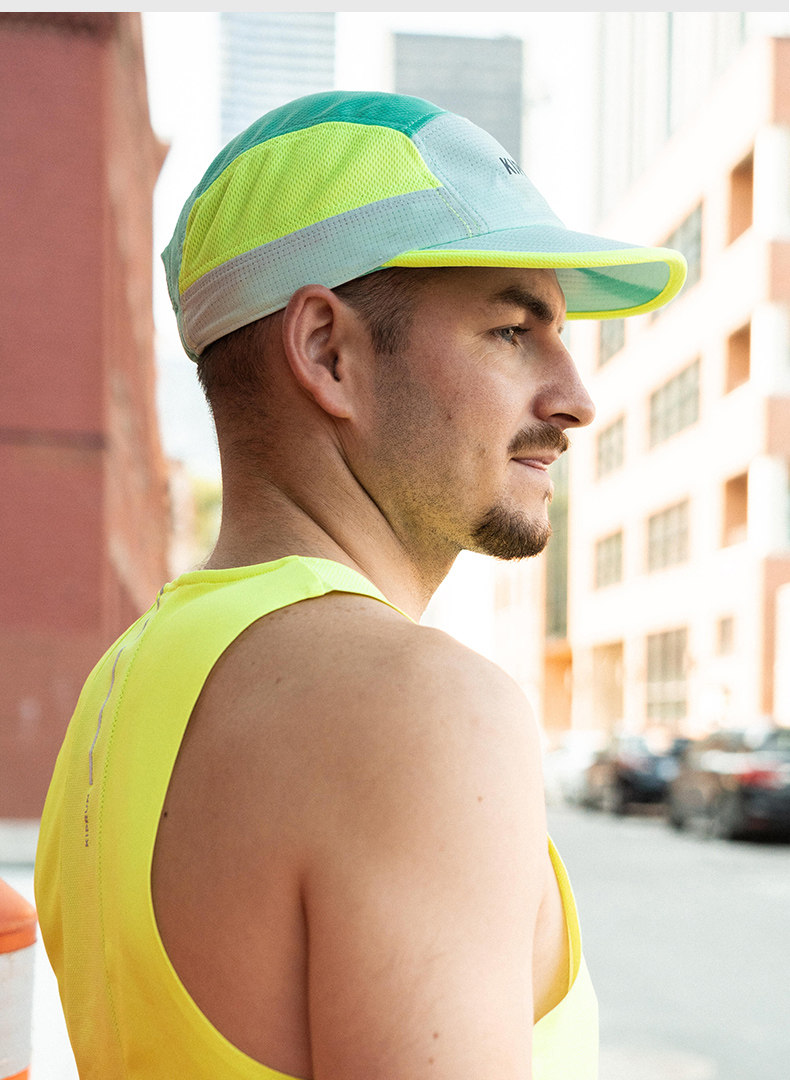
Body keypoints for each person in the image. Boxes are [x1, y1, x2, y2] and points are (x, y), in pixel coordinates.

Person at [35, 90, 686, 1079]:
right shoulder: (421, 707)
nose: (576, 398)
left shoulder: (121, 687)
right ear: (326, 352)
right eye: (512, 332)